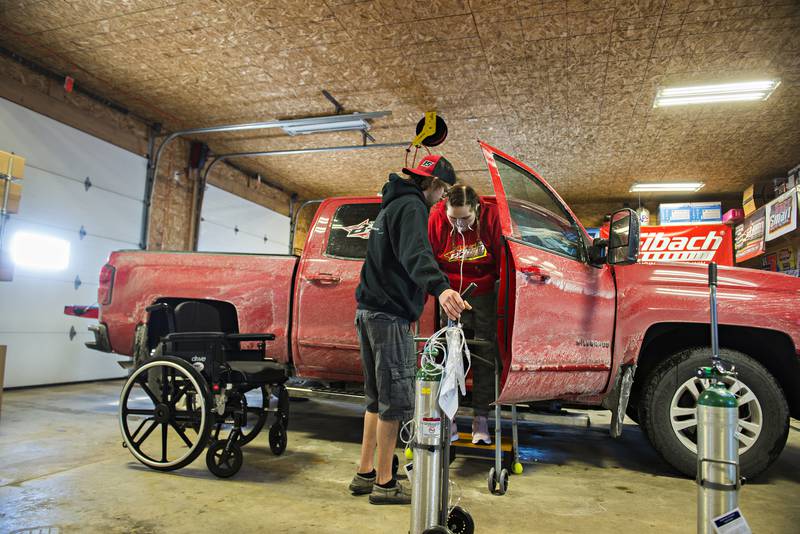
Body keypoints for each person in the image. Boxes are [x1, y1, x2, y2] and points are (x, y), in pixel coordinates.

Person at [349, 154, 469, 505]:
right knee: (396, 403)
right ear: (431, 185)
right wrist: (441, 287)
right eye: (443, 190)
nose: (443, 197)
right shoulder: (414, 208)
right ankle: (385, 484)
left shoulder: (391, 204)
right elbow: (415, 254)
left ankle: (365, 471)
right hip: (389, 317)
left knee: (376, 398)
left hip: (368, 312)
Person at [428, 184, 502, 445]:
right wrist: (441, 289)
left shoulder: (492, 217)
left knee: (483, 354)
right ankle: (448, 418)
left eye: (466, 219)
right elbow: (429, 259)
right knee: (448, 356)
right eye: (453, 218)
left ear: (477, 211)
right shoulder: (436, 218)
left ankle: (481, 417)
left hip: (481, 294)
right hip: (448, 294)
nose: (459, 225)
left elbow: (502, 261)